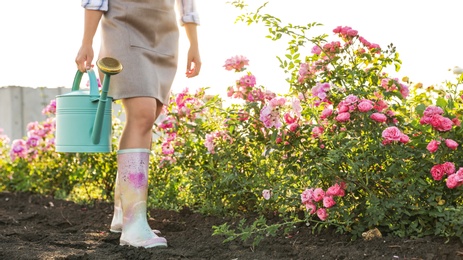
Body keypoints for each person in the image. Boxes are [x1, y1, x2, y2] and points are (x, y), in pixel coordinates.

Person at [75, 0, 201, 248]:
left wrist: (194, 44)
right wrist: (87, 40)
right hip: (123, 26)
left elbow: (187, 3)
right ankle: (134, 225)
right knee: (142, 113)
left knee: (149, 114)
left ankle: (123, 214)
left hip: (165, 35)